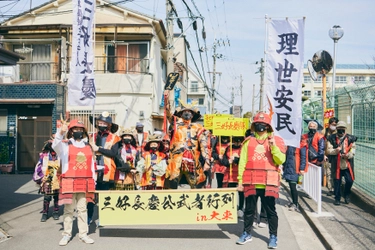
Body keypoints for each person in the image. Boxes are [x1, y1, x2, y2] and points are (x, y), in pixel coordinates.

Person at [236, 112, 286, 249]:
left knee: (271, 211)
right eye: (258, 124)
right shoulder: (248, 142)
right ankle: (247, 233)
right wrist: (240, 180)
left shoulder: (276, 141)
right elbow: (242, 162)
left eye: (263, 124)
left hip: (269, 181)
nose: (260, 126)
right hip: (251, 180)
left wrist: (273, 146)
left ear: (268, 126)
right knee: (249, 210)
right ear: (254, 126)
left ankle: (273, 236)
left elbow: (281, 160)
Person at [52, 119, 96, 246]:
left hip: (85, 181)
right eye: (76, 129)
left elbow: (92, 164)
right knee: (69, 209)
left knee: (83, 209)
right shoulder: (65, 146)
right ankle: (66, 234)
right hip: (69, 181)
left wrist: (94, 180)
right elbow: (55, 145)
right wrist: (60, 132)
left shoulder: (88, 146)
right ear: (71, 131)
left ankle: (83, 234)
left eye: (81, 130)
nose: (78, 131)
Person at [163, 90, 211, 189]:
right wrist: (166, 99)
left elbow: (204, 145)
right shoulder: (175, 124)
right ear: (180, 114)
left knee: (196, 186)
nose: (187, 113)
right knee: (171, 185)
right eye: (184, 112)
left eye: (189, 112)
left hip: (193, 159)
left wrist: (207, 161)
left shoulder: (198, 128)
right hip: (177, 159)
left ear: (193, 115)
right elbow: (168, 113)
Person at [87, 111, 120, 224]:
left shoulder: (115, 138)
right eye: (100, 122)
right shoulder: (91, 136)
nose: (102, 124)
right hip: (93, 167)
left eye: (104, 123)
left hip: (107, 168)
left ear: (109, 125)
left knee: (104, 194)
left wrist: (98, 149)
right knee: (90, 194)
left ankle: (103, 217)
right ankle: (89, 216)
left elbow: (114, 153)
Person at [326, 121, 356, 206]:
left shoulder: (351, 138)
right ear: (336, 129)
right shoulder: (331, 138)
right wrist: (336, 151)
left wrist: (348, 155)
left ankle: (346, 194)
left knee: (350, 180)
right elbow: (328, 150)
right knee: (337, 182)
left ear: (345, 129)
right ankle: (337, 198)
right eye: (339, 129)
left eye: (342, 129)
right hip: (336, 163)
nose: (341, 131)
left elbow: (353, 150)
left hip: (347, 164)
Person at [33, 136, 61, 222]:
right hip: (47, 177)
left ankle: (56, 211)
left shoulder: (60, 155)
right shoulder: (44, 155)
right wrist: (41, 176)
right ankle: (45, 213)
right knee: (47, 197)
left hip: (57, 178)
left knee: (57, 196)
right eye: (51, 146)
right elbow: (39, 166)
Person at [221, 136, 245, 218]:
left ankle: (241, 208)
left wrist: (236, 160)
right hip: (230, 173)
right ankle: (231, 207)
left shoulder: (243, 148)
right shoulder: (228, 148)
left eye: (239, 141)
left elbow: (245, 160)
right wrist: (228, 161)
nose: (237, 143)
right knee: (231, 192)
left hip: (240, 173)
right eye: (235, 141)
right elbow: (223, 161)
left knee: (241, 192)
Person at [283, 137, 308, 212]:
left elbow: (303, 158)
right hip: (289, 167)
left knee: (293, 186)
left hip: (295, 168)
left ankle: (295, 204)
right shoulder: (290, 144)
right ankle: (293, 202)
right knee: (291, 185)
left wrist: (302, 168)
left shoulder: (302, 145)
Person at [324, 117, 338, 196]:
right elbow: (322, 144)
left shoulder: (338, 132)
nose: (333, 126)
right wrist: (323, 155)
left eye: (335, 125)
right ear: (329, 124)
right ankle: (330, 189)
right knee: (329, 173)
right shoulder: (325, 132)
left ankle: (336, 189)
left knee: (336, 173)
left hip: (336, 156)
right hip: (327, 155)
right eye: (332, 124)